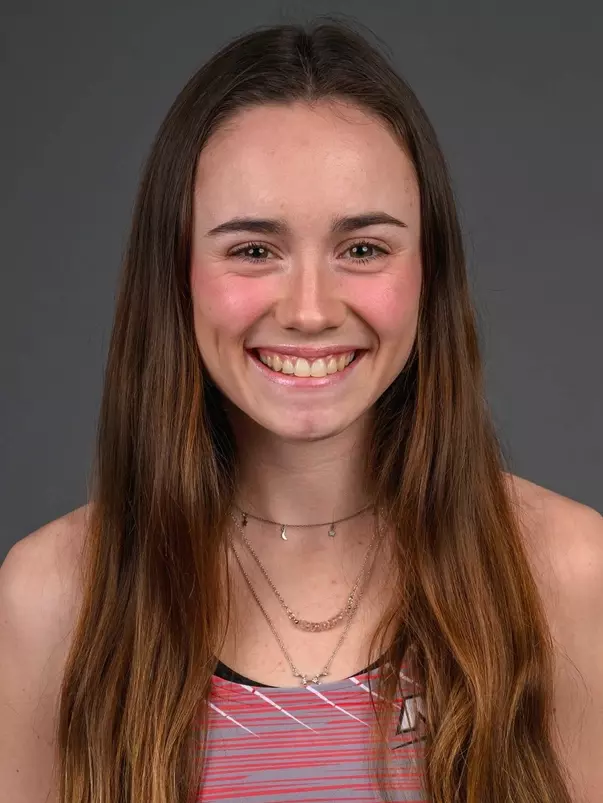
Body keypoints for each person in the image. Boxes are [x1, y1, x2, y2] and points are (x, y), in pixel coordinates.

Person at [1, 17, 602, 803]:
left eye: (362, 249)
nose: (311, 310)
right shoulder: (53, 598)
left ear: (429, 271)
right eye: (253, 249)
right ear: (176, 272)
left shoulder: (567, 574)